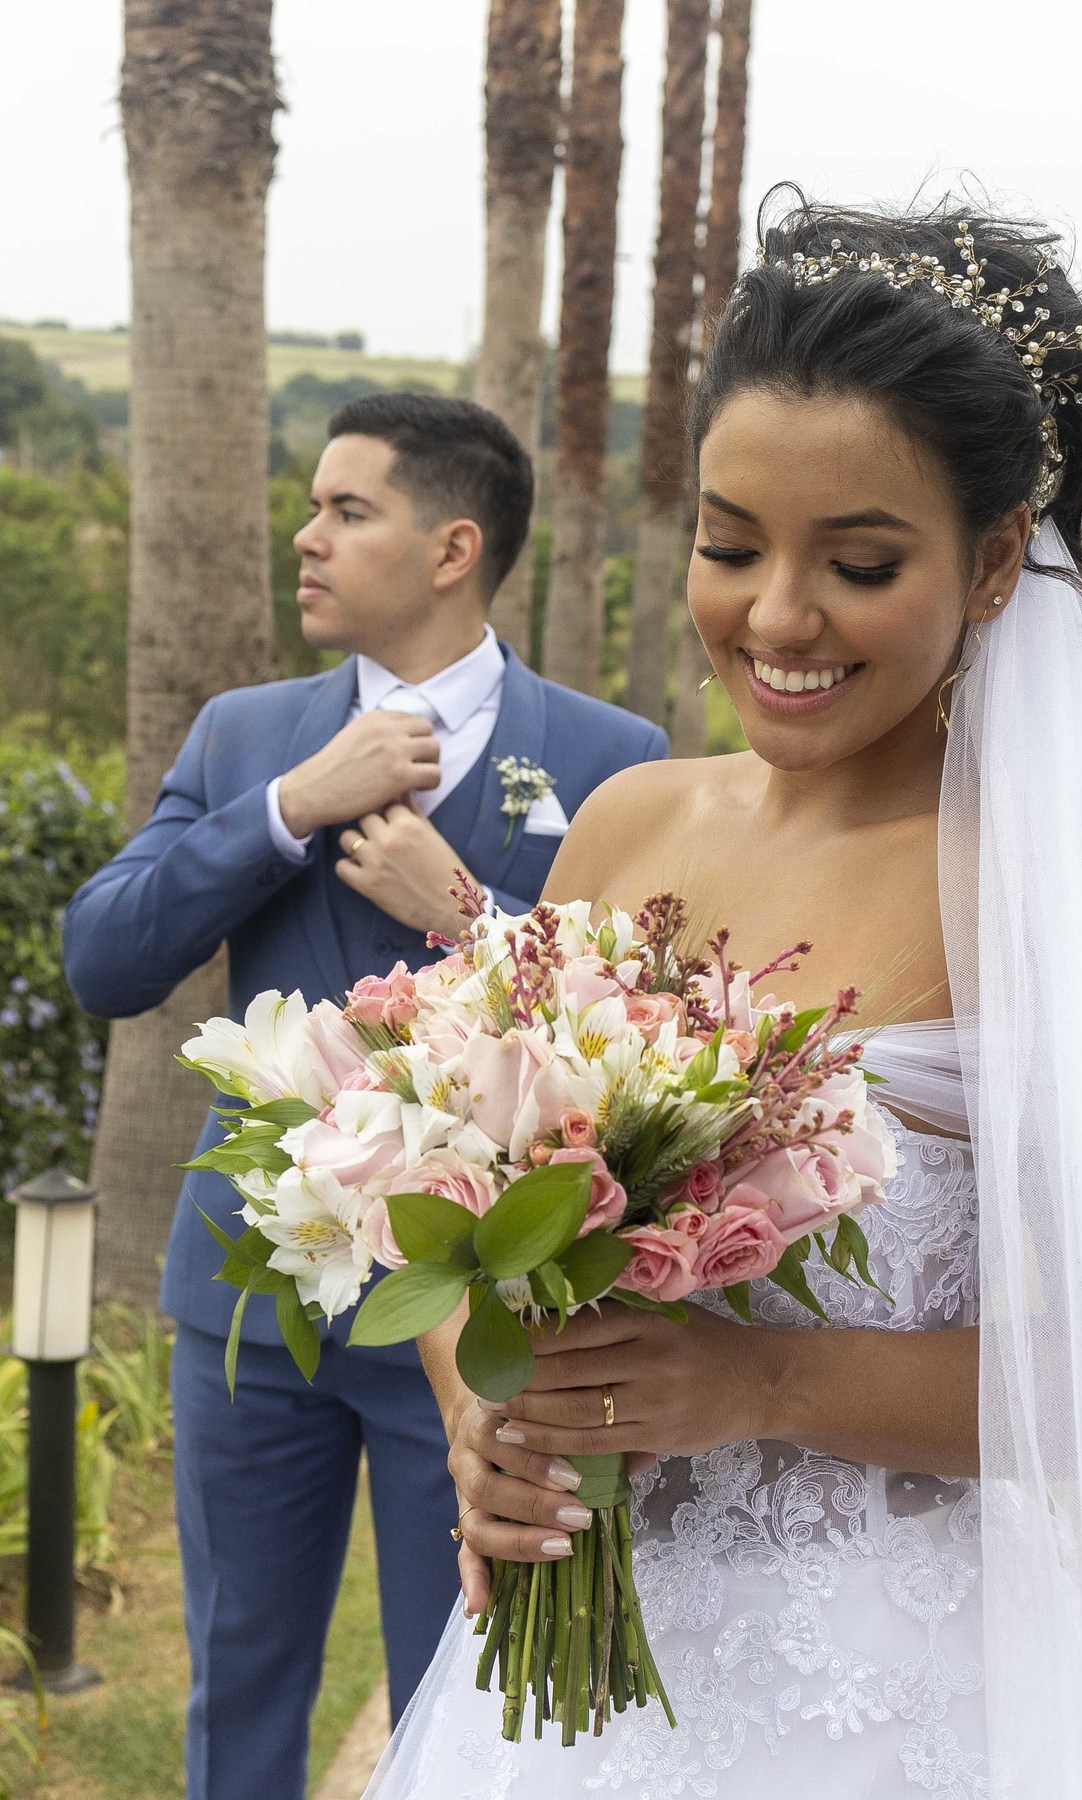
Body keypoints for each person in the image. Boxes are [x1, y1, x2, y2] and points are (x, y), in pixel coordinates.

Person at [363, 198, 1082, 1799]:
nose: (777, 618)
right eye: (730, 543)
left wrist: (761, 1383)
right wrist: (485, 1408)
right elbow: (474, 1210)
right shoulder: (629, 825)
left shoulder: (1035, 894)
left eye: (861, 562)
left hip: (900, 1689)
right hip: (571, 1689)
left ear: (995, 564)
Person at [62, 389, 669, 1800]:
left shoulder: (613, 759)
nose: (307, 535)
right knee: (244, 1672)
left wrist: (466, 907)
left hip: (485, 1313)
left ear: (453, 546)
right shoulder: (243, 733)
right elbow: (106, 956)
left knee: (466, 1686)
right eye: (312, 506)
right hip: (253, 1295)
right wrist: (288, 806)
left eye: (348, 509)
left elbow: (642, 1026)